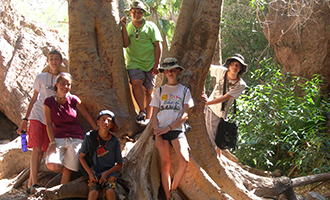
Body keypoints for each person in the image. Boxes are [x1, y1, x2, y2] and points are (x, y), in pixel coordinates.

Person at [16, 49, 66, 193]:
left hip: (50, 118)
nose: (53, 61)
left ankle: (30, 184)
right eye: (51, 58)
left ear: (61, 61)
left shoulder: (62, 79)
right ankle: (35, 183)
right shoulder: (40, 77)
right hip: (37, 114)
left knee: (44, 151)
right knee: (36, 149)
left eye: (56, 59)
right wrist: (25, 119)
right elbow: (34, 98)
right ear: (47, 61)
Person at [150, 58, 194, 200]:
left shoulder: (184, 90)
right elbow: (154, 114)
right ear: (164, 72)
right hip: (160, 130)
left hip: (176, 129)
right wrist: (157, 134)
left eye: (172, 70)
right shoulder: (160, 90)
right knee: (165, 164)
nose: (170, 72)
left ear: (177, 71)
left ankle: (173, 189)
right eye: (167, 70)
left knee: (184, 160)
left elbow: (185, 114)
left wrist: (169, 127)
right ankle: (169, 197)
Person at [44, 72, 98, 184]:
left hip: (75, 138)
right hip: (58, 138)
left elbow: (86, 115)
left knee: (69, 168)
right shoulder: (48, 102)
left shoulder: (74, 99)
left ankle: (62, 192)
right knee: (51, 164)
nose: (66, 87)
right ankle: (70, 172)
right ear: (57, 84)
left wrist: (96, 129)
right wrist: (52, 142)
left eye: (68, 84)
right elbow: (49, 123)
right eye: (63, 83)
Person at [120, 0, 163, 126]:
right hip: (134, 62)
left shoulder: (151, 27)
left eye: (139, 12)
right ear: (130, 13)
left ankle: (148, 119)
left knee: (149, 91)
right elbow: (125, 44)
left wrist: (157, 64)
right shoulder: (128, 27)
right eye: (134, 12)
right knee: (136, 83)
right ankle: (142, 111)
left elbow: (157, 45)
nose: (136, 14)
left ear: (143, 14)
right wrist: (123, 27)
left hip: (149, 64)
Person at [201, 54, 247, 157]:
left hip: (220, 113)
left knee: (216, 139)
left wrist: (207, 102)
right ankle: (216, 160)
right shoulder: (221, 71)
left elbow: (226, 97)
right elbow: (207, 66)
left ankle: (215, 161)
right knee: (212, 138)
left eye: (237, 65)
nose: (234, 67)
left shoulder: (240, 84)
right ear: (229, 65)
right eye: (233, 64)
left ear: (240, 68)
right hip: (212, 109)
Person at [79, 110, 123, 200]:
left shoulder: (114, 141)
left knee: (110, 191)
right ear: (98, 122)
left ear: (112, 125)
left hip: (109, 172)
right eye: (103, 120)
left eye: (109, 121)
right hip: (95, 171)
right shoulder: (90, 137)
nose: (106, 122)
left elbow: (119, 163)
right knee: (93, 192)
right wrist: (90, 174)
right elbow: (81, 157)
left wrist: (107, 173)